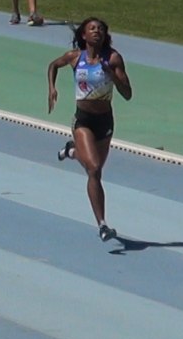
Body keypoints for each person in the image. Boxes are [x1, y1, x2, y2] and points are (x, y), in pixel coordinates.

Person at [48, 17, 133, 242]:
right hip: (83, 121)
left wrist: (111, 73)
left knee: (94, 169)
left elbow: (127, 94)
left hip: (105, 122)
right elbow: (53, 65)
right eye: (92, 29)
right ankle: (103, 225)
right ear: (84, 35)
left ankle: (72, 151)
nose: (97, 32)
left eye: (101, 29)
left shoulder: (113, 58)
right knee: (94, 170)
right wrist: (52, 89)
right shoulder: (75, 57)